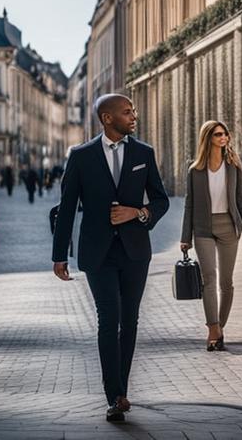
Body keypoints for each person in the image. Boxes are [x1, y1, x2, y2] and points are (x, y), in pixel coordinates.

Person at [52, 93, 170, 423]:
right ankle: (114, 394)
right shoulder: (81, 156)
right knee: (109, 318)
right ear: (107, 118)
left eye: (133, 110)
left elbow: (161, 200)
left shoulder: (143, 153)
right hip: (97, 251)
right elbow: (66, 209)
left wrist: (139, 212)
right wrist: (59, 255)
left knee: (129, 320)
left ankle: (122, 388)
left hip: (135, 251)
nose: (134, 115)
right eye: (127, 111)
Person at [180, 120, 242, 351]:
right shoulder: (195, 170)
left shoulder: (234, 166)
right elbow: (189, 205)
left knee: (226, 282)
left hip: (229, 227)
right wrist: (186, 237)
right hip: (203, 228)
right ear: (208, 139)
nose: (223, 138)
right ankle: (213, 328)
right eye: (217, 134)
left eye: (225, 134)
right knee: (208, 279)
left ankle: (220, 327)